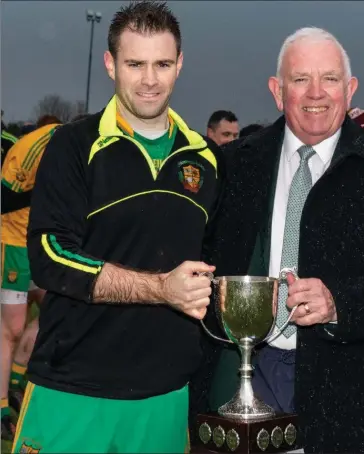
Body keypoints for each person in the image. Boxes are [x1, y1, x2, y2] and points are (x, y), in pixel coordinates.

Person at [198, 27, 364, 453]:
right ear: (277, 90)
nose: (316, 93)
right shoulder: (235, 166)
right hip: (245, 376)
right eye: (300, 79)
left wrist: (339, 301)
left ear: (350, 88)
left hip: (349, 391)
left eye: (330, 78)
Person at [11, 2, 224, 453]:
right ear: (111, 64)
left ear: (180, 64)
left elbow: (214, 261)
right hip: (73, 386)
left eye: (162, 64)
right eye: (135, 64)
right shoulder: (73, 144)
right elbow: (50, 256)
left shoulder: (204, 157)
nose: (149, 80)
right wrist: (161, 288)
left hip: (164, 393)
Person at [1, 115, 60, 440]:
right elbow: (5, 197)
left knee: (57, 312)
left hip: (42, 245)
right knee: (10, 329)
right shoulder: (34, 145)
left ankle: (15, 383)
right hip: (13, 246)